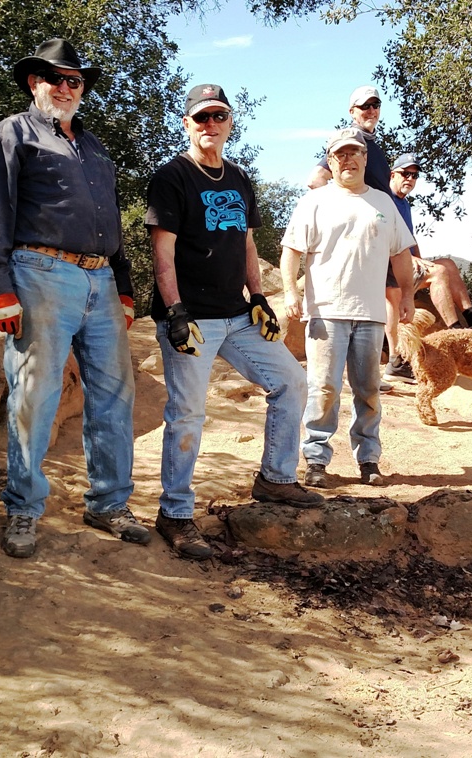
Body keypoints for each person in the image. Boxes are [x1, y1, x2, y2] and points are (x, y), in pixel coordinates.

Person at [0, 39, 147, 559]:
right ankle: (24, 509)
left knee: (115, 396)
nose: (68, 87)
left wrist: (123, 285)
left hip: (100, 280)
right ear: (36, 83)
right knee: (36, 394)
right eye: (57, 78)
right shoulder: (13, 133)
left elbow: (110, 220)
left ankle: (108, 503)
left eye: (76, 80)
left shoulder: (95, 148)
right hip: (40, 273)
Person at [146, 83, 324, 560]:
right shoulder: (172, 178)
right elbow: (162, 252)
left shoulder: (240, 178)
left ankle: (276, 478)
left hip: (237, 314)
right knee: (188, 412)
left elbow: (246, 245)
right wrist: (175, 312)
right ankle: (176, 514)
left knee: (292, 381)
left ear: (229, 123)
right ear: (187, 123)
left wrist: (260, 297)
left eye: (218, 117)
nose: (210, 125)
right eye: (201, 117)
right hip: (191, 320)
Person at [282, 127, 416, 487]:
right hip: (325, 312)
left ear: (365, 158)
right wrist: (291, 293)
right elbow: (291, 250)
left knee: (369, 390)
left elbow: (401, 254)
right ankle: (315, 459)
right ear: (331, 161)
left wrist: (406, 296)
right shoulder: (314, 201)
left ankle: (369, 460)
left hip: (371, 314)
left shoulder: (384, 203)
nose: (348, 159)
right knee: (323, 388)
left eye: (354, 152)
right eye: (340, 154)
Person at [383, 153, 472, 385]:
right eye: (405, 174)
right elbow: (386, 238)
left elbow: (409, 237)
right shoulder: (385, 200)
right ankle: (456, 333)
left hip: (406, 264)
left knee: (447, 264)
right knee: (439, 273)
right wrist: (410, 262)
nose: (409, 179)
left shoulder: (403, 202)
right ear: (392, 174)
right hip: (391, 268)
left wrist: (418, 259)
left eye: (414, 175)